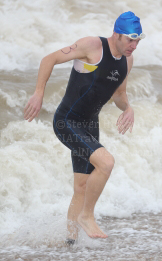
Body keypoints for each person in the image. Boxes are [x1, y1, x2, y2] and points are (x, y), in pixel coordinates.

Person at [24, 11, 145, 243]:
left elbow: (119, 94)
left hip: (90, 124)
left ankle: (71, 245)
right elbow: (48, 59)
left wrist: (128, 108)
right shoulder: (92, 46)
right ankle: (87, 215)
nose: (134, 46)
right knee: (107, 163)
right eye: (130, 39)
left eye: (138, 40)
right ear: (117, 34)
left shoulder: (127, 61)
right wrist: (39, 93)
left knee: (81, 185)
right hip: (67, 121)